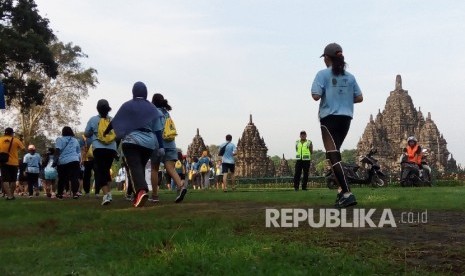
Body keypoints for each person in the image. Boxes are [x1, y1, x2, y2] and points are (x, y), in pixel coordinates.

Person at [311, 42, 363, 208]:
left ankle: (347, 193)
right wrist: (344, 98)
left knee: (333, 155)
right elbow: (359, 97)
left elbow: (316, 95)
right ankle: (341, 191)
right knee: (333, 155)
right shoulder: (350, 77)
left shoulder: (322, 74)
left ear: (327, 58)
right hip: (346, 118)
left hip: (329, 118)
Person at [109, 81, 164, 207]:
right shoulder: (152, 109)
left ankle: (141, 192)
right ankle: (137, 195)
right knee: (140, 168)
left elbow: (118, 126)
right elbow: (158, 130)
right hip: (149, 144)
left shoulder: (127, 106)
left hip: (132, 141)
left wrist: (115, 145)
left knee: (135, 168)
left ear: (133, 92)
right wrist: (161, 147)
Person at [150, 93, 187, 203]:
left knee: (154, 169)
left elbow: (154, 129)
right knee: (171, 168)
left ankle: (155, 196)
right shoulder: (167, 114)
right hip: (171, 144)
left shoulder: (154, 112)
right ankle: (181, 185)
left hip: (158, 144)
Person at [85, 99, 119, 205]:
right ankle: (109, 193)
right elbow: (118, 134)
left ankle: (106, 196)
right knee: (106, 170)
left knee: (100, 171)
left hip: (98, 148)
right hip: (111, 149)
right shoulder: (113, 120)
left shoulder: (93, 120)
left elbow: (86, 134)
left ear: (97, 108)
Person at [53, 126, 82, 199]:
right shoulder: (75, 140)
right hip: (75, 160)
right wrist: (79, 160)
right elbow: (78, 152)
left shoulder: (60, 139)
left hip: (63, 161)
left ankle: (60, 194)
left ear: (63, 132)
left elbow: (57, 151)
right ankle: (75, 193)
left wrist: (55, 161)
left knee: (62, 178)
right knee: (74, 178)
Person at [0, 127, 25, 200]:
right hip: (14, 163)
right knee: (13, 180)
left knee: (5, 180)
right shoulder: (16, 140)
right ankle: (11, 195)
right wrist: (16, 149)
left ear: (5, 133)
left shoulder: (0, 139)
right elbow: (23, 149)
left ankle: (9, 196)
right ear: (12, 133)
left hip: (3, 162)